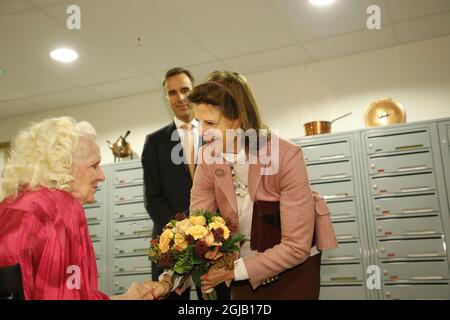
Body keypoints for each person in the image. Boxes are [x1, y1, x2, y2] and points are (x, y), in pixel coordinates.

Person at [152, 71, 338, 299]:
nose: (202, 133)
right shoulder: (208, 158)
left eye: (210, 123)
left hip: (293, 271)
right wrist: (168, 280)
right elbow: (196, 230)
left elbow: (296, 246)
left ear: (238, 118)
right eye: (199, 122)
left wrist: (233, 271)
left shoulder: (285, 155)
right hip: (241, 271)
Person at [0, 117, 155, 300]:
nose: (102, 175)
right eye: (94, 166)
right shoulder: (62, 207)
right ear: (66, 168)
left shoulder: (10, 204)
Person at [141, 67, 231, 300]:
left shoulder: (217, 133)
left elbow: (229, 186)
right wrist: (183, 232)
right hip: (172, 244)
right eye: (172, 93)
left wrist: (211, 232)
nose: (180, 97)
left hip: (214, 243)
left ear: (194, 91)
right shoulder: (155, 142)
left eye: (184, 90)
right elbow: (153, 199)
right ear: (166, 97)